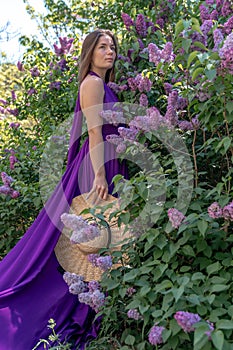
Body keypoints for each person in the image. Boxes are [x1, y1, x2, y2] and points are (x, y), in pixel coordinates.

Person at [0, 29, 128, 349]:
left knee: (106, 240)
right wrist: (99, 176)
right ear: (90, 52)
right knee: (90, 242)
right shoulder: (92, 83)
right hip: (100, 167)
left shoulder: (102, 84)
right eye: (102, 47)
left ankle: (101, 311)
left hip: (112, 163)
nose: (109, 51)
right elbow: (96, 133)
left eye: (112, 46)